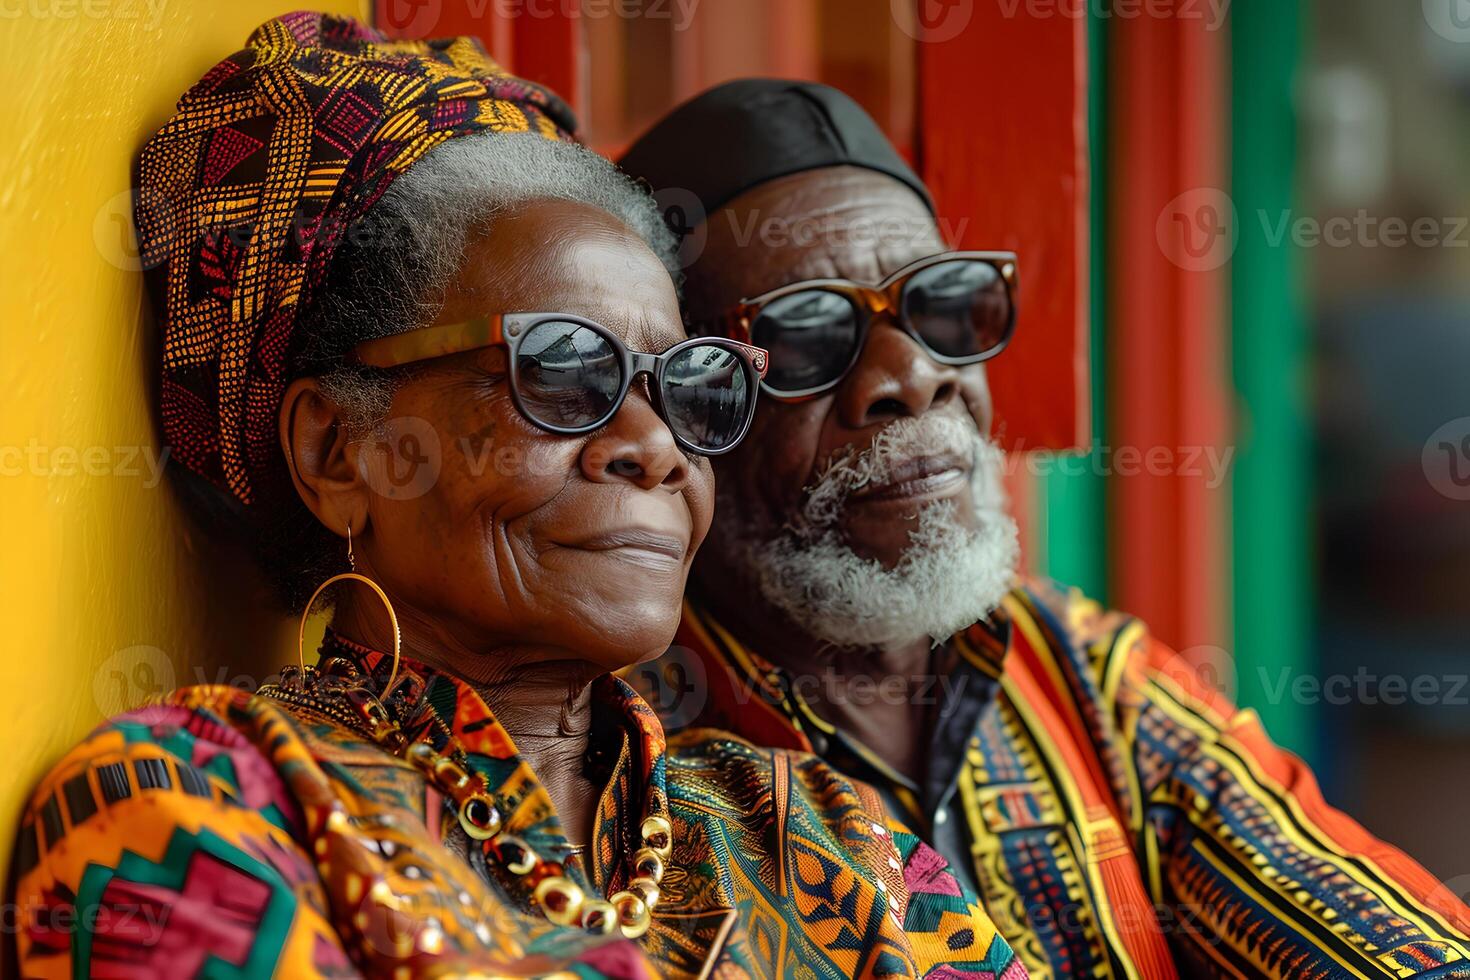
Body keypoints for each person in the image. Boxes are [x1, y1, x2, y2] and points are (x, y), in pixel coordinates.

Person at [10, 23, 1025, 979]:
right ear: (338, 450)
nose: (654, 447)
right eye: (565, 371)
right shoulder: (191, 813)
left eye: (690, 385)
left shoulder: (813, 830)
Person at [619, 78, 1470, 978]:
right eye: (802, 336)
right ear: (687, 406)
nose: (914, 375)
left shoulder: (1083, 675)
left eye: (941, 305)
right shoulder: (629, 758)